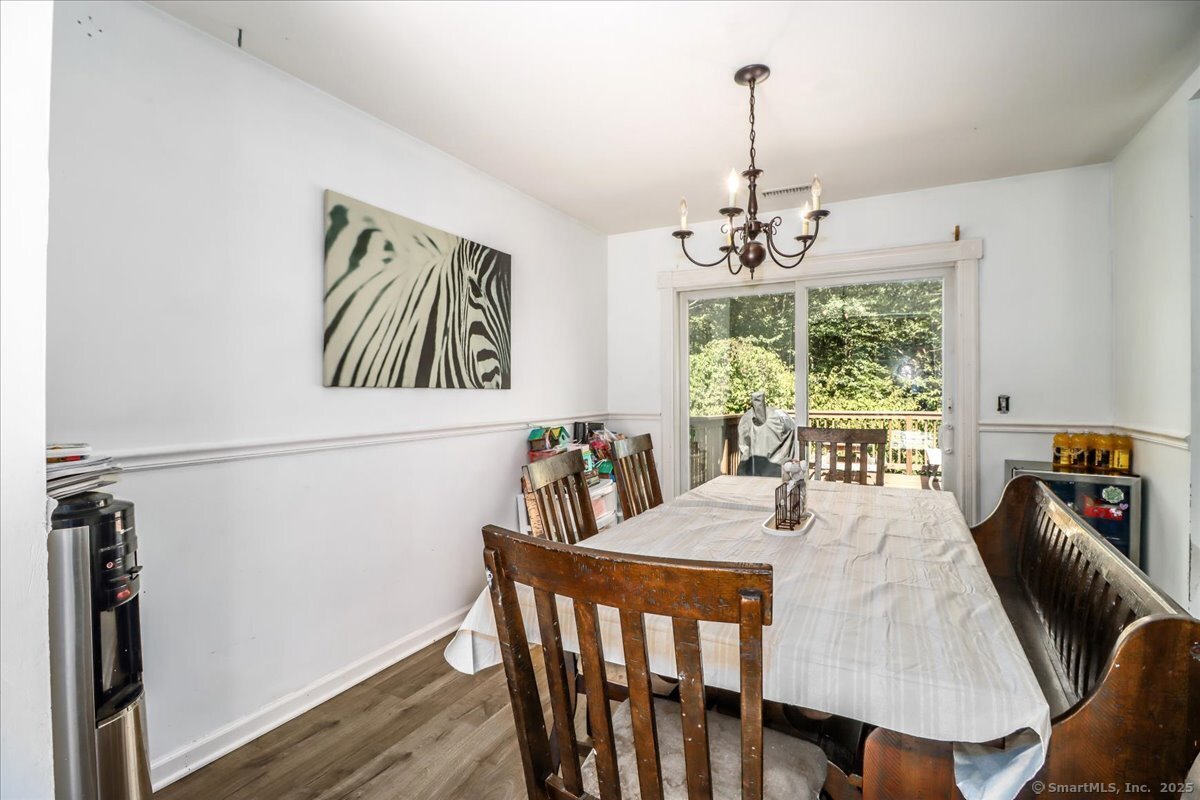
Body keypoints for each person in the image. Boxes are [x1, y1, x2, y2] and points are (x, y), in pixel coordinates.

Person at [736, 391, 796, 477]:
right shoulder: (750, 418)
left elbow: (744, 445)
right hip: (775, 474)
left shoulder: (747, 417)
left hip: (750, 474)